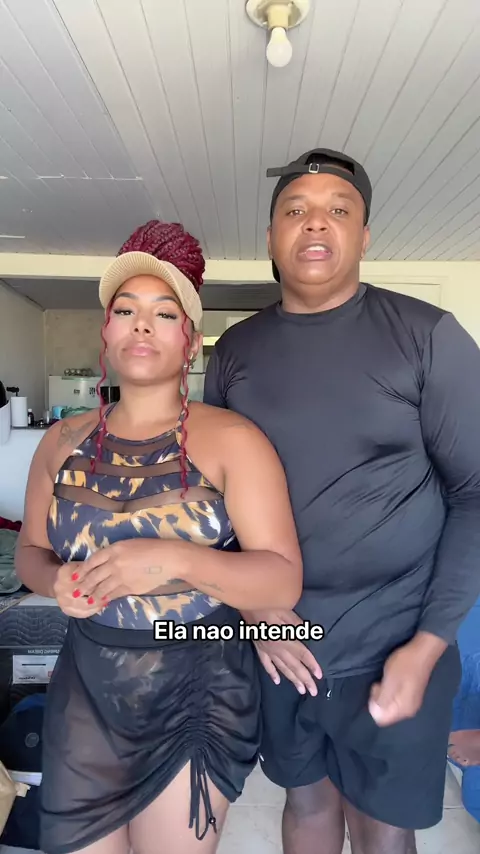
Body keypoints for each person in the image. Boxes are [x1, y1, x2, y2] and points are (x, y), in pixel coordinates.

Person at [203, 148, 480, 854]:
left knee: (383, 828)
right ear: (271, 237)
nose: (315, 223)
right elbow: (217, 500)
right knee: (306, 804)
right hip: (280, 641)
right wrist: (257, 611)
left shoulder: (428, 336)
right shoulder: (235, 350)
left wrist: (427, 647)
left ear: (363, 235)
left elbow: (475, 496)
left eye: (338, 210)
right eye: (294, 210)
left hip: (395, 640)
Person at [15, 220, 303, 854]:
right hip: (87, 685)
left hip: (197, 684)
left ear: (190, 342)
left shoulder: (233, 440)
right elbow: (30, 553)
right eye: (126, 310)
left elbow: (282, 579)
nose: (141, 326)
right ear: (107, 332)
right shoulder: (61, 442)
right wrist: (56, 580)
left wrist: (172, 558)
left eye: (164, 313)